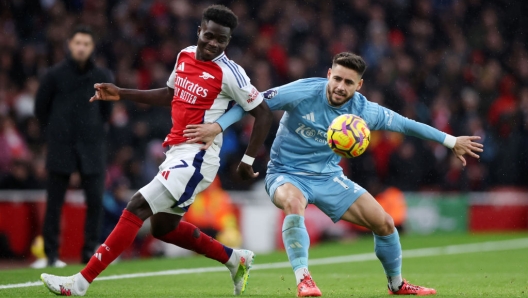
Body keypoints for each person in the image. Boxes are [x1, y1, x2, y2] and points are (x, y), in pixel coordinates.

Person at [183, 52, 483, 296]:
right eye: (337, 78)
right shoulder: (302, 91)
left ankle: (396, 284)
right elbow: (253, 102)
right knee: (293, 204)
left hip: (328, 177)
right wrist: (216, 127)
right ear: (329, 74)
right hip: (285, 173)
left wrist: (451, 140)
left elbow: (405, 124)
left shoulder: (364, 111)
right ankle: (304, 280)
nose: (340, 86)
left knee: (385, 223)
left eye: (348, 82)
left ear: (359, 85)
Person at [41, 5, 273, 296]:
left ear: (228, 41)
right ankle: (234, 258)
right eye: (210, 35)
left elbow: (263, 113)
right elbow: (170, 95)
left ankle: (79, 283)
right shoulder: (185, 55)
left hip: (198, 158)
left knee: (137, 205)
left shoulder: (230, 74)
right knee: (164, 228)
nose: (214, 43)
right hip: (176, 151)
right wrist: (122, 93)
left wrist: (247, 159)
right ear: (199, 30)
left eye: (222, 40)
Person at [34, 26, 113, 268]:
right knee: (54, 202)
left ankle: (89, 252)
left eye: (86, 44)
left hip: (92, 148)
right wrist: (56, 134)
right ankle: (50, 255)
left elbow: (106, 112)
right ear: (69, 44)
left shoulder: (103, 76)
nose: (81, 47)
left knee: (95, 202)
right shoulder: (53, 75)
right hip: (61, 147)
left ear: (92, 47)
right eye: (77, 42)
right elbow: (40, 109)